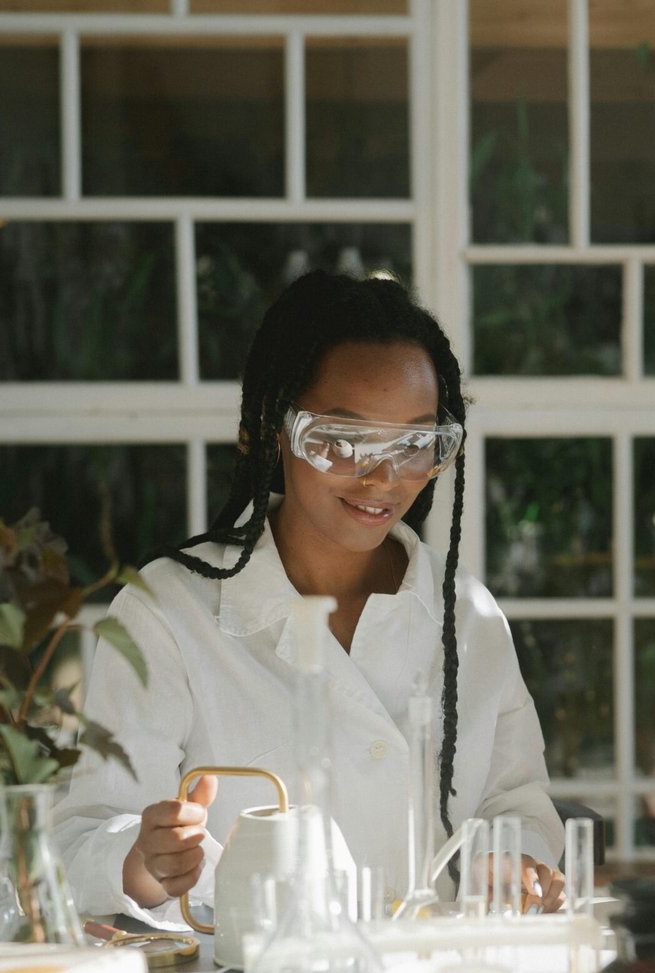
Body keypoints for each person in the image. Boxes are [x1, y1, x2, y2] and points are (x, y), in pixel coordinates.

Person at [54, 270, 565, 924]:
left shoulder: (467, 616)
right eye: (343, 439)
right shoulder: (168, 612)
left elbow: (516, 804)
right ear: (274, 424)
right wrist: (140, 859)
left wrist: (514, 861)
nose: (383, 476)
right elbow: (78, 840)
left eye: (415, 444)